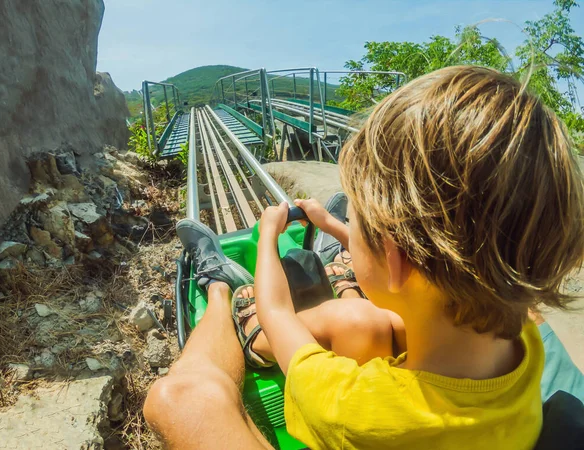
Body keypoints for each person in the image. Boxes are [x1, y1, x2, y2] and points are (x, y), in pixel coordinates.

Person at [144, 65, 584, 449]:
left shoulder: (346, 404)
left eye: (359, 224)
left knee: (175, 400)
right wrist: (336, 227)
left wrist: (267, 236)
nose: (353, 227)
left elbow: (276, 310)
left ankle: (222, 289)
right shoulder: (524, 338)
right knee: (359, 319)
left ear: (395, 260)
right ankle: (340, 272)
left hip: (338, 382)